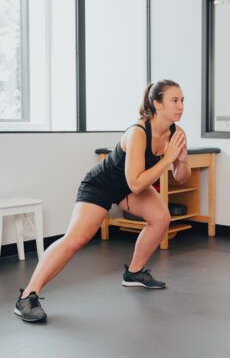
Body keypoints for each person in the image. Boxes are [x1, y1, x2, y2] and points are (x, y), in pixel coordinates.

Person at [15, 79, 191, 322]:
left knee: (161, 218)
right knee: (75, 239)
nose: (181, 105)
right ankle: (27, 295)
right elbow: (136, 184)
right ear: (157, 104)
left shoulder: (177, 133)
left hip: (129, 186)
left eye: (182, 100)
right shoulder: (137, 133)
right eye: (174, 100)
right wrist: (167, 158)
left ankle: (134, 273)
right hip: (103, 184)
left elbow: (181, 178)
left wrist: (180, 160)